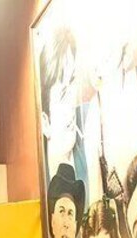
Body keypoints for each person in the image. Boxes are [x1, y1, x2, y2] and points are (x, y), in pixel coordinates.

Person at [39, 26, 87, 185]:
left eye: (72, 82)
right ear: (45, 122)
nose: (71, 102)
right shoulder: (39, 184)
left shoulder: (91, 129)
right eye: (62, 95)